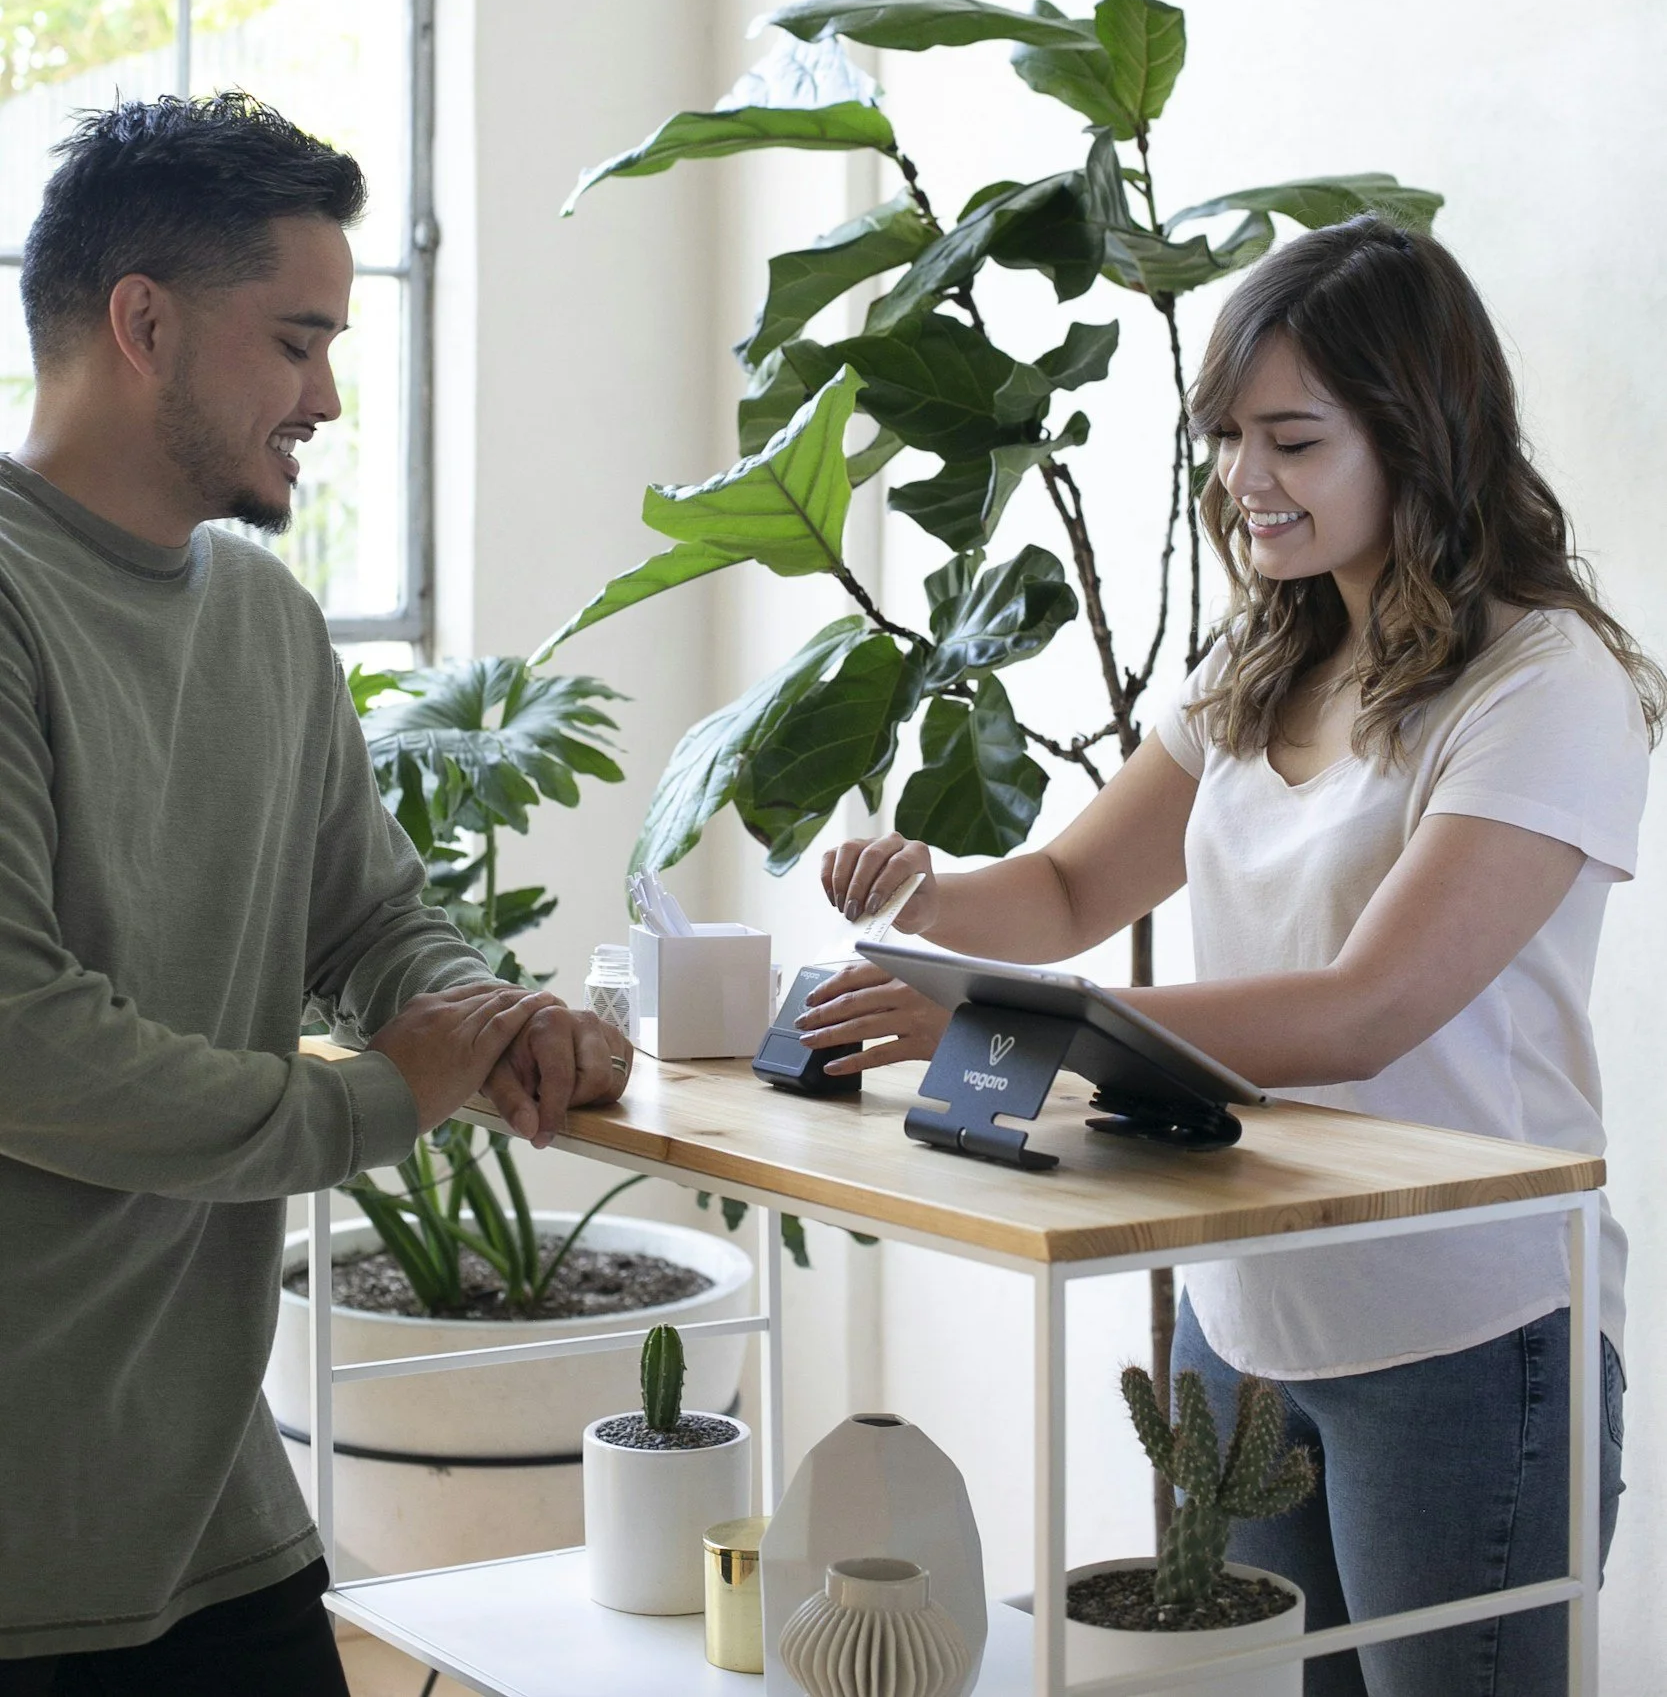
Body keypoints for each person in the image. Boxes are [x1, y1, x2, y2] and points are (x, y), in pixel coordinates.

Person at [803, 216, 1653, 1697]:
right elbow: (1069, 887)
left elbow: (1363, 1011)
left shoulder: (1544, 684)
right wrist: (931, 900)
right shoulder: (1263, 660)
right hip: (1242, 1318)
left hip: (1461, 1332)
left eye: (1291, 439)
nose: (1240, 481)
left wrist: (1022, 1032)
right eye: (1223, 439)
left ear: (1419, 436)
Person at [0, 95, 632, 1693]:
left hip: (215, 1498)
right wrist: (374, 1099)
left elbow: (371, 920)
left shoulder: (264, 621)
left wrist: (494, 1021)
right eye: (294, 342)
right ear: (143, 322)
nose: (328, 398)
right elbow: (24, 1037)